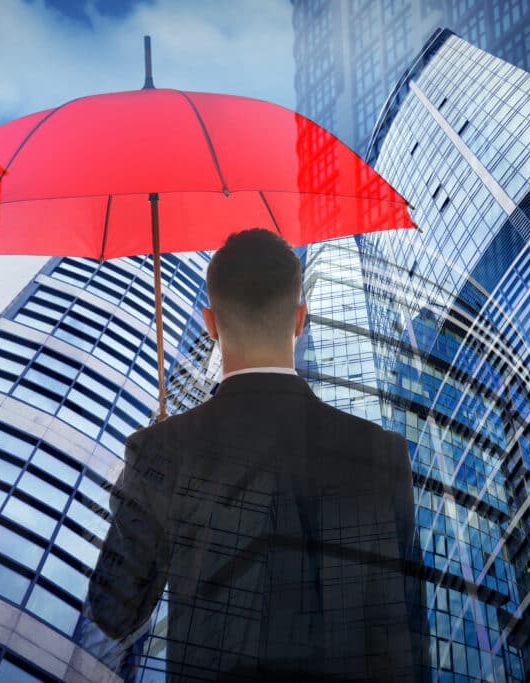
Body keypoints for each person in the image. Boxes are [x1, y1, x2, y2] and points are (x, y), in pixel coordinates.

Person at [85, 228, 420, 682]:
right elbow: (405, 630)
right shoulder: (382, 454)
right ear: (301, 320)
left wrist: (145, 476)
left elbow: (115, 611)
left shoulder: (163, 451)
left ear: (210, 324)